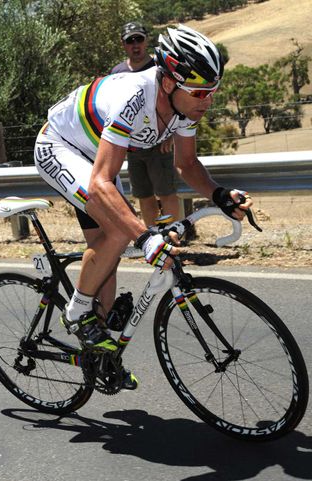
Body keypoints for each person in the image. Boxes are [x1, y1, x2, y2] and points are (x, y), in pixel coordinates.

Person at [34, 25, 253, 387]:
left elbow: (188, 165)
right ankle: (76, 314)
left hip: (97, 154)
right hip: (61, 145)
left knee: (109, 242)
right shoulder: (135, 96)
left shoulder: (185, 107)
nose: (207, 101)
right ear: (169, 83)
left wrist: (218, 194)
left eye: (212, 92)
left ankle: (99, 350)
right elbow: (100, 182)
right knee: (122, 230)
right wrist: (145, 238)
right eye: (200, 92)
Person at [110, 21, 180, 226]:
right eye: (130, 40)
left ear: (146, 40)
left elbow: (178, 101)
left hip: (160, 144)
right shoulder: (117, 72)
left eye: (139, 39)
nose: (135, 44)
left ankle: (173, 237)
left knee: (166, 194)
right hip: (132, 147)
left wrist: (173, 134)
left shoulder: (160, 67)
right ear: (123, 44)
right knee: (144, 196)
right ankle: (154, 238)